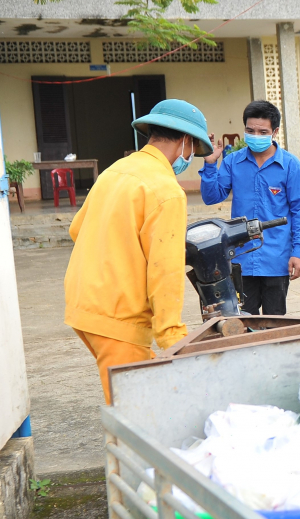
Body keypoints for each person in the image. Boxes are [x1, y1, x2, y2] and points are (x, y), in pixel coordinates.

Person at [64, 99, 213, 404]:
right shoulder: (165, 189)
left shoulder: (115, 171)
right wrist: (172, 335)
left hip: (84, 306)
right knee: (137, 416)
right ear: (185, 141)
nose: (189, 158)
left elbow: (76, 230)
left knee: (130, 401)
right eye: (192, 150)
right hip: (118, 317)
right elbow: (165, 268)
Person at [201, 101, 300, 316]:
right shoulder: (232, 162)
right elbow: (212, 197)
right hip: (241, 257)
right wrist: (210, 164)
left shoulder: (290, 165)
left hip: (277, 258)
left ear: (275, 132)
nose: (255, 135)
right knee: (243, 322)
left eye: (263, 131)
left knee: (274, 321)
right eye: (250, 131)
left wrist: (298, 252)